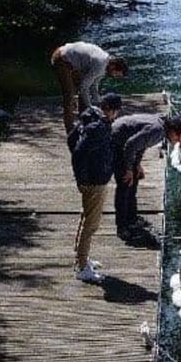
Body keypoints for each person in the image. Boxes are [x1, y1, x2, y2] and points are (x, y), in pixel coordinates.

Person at [66, 93, 122, 283]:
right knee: (91, 224)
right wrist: (84, 178)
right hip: (94, 183)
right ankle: (82, 267)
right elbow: (78, 153)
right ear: (113, 111)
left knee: (87, 219)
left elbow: (71, 140)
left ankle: (82, 258)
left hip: (91, 180)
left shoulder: (90, 121)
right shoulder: (98, 127)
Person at [111, 113, 181, 244]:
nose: (177, 141)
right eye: (179, 137)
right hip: (116, 142)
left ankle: (132, 218)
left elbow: (140, 145)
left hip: (127, 143)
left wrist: (137, 165)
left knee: (134, 182)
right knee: (125, 184)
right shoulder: (157, 131)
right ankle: (122, 227)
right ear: (173, 131)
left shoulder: (161, 128)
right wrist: (128, 169)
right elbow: (130, 145)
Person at [50, 41, 128, 132]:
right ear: (113, 66)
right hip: (62, 58)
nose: (114, 77)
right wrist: (90, 107)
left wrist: (98, 103)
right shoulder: (100, 65)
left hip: (73, 62)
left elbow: (94, 86)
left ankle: (83, 122)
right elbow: (84, 87)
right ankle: (70, 129)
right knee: (69, 96)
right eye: (116, 74)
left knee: (82, 94)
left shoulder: (105, 64)